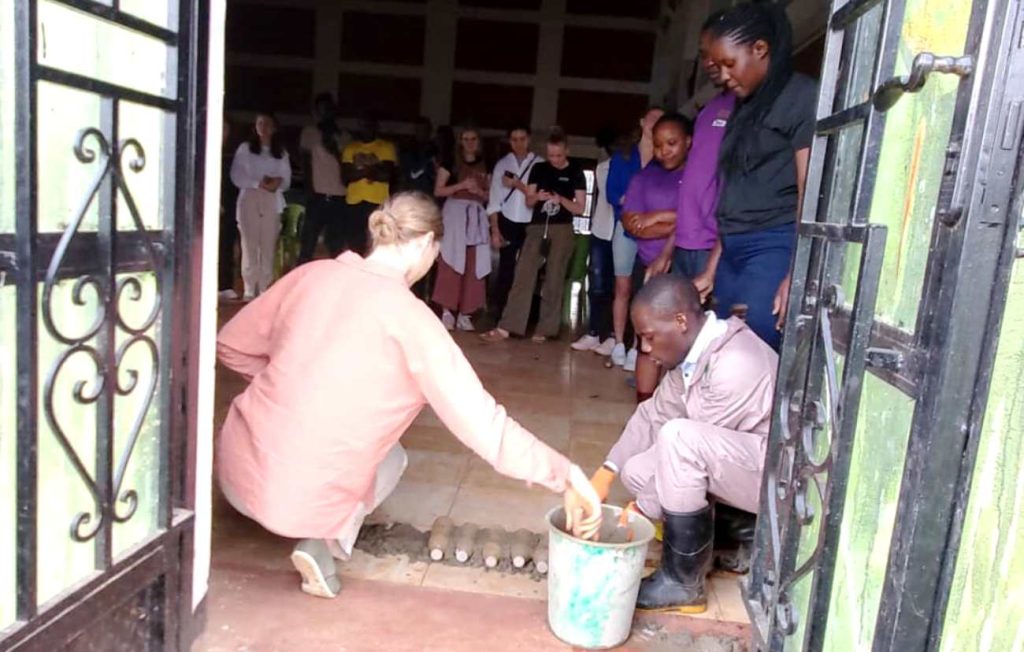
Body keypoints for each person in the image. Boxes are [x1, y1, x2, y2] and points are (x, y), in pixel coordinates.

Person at [216, 192, 602, 599]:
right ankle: (323, 543)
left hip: (234, 477)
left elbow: (230, 344)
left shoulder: (312, 274)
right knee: (395, 456)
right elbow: (486, 427)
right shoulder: (413, 321)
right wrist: (565, 474)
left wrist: (282, 383)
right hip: (299, 504)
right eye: (435, 251)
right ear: (423, 244)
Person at [589, 275, 777, 612]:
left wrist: (639, 512)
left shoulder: (734, 363)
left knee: (679, 441)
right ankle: (736, 540)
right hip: (741, 464)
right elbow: (652, 416)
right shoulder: (695, 356)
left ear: (680, 321)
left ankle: (683, 583)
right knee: (636, 470)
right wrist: (606, 472)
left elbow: (686, 450)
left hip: (776, 482)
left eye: (648, 337)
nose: (645, 349)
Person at [696, 3, 816, 349]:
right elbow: (734, 195)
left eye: (730, 64)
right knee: (723, 344)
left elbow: (808, 189)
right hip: (732, 247)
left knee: (756, 340)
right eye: (718, 66)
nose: (724, 75)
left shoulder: (800, 97)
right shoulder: (744, 107)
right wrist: (711, 268)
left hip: (772, 244)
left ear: (760, 49)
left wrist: (796, 271)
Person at [480, 128, 587, 344]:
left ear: (566, 151)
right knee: (523, 273)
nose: (554, 160)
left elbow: (580, 208)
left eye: (559, 155)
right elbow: (529, 200)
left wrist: (561, 200)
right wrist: (536, 196)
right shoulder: (539, 168)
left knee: (554, 277)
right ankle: (508, 326)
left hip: (562, 227)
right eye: (551, 155)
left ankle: (546, 328)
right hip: (537, 226)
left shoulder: (576, 171)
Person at [621, 114, 694, 403]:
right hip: (648, 267)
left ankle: (675, 407)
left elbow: (693, 219)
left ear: (689, 141)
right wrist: (670, 221)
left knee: (681, 342)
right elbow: (631, 224)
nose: (664, 151)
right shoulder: (644, 176)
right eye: (659, 144)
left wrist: (655, 217)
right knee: (648, 342)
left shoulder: (696, 176)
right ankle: (644, 409)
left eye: (672, 143)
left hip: (684, 266)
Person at [661, 14, 736, 284]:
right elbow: (693, 188)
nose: (707, 63)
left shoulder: (744, 110)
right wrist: (668, 249)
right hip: (686, 244)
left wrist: (715, 260)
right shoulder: (708, 111)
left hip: (713, 246)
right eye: (703, 55)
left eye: (713, 54)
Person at [608, 107, 664, 371]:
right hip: (625, 229)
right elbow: (612, 194)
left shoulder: (664, 159)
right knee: (622, 288)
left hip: (653, 233)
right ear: (642, 122)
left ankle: (636, 346)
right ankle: (618, 342)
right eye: (652, 118)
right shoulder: (624, 155)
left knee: (645, 292)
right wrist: (637, 205)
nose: (655, 124)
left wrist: (635, 204)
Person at [432, 127, 490, 331]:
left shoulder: (485, 163)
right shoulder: (451, 163)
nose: (470, 142)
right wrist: (461, 186)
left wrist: (480, 192)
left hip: (476, 216)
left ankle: (466, 313)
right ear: (460, 141)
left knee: (474, 264)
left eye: (473, 138)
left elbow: (489, 195)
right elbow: (438, 190)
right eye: (466, 139)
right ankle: (447, 311)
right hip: (455, 215)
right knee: (451, 260)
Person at [229, 111, 292, 300]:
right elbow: (236, 175)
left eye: (267, 124)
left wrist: (276, 182)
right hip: (250, 197)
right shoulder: (245, 149)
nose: (264, 128)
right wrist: (258, 183)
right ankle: (249, 287)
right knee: (249, 244)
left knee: (268, 243)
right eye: (260, 124)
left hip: (272, 200)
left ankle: (264, 286)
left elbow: (287, 179)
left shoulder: (281, 153)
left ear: (274, 128)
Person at [570, 128, 616, 356]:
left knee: (618, 288)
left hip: (622, 234)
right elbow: (611, 197)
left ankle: (613, 337)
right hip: (601, 230)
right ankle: (595, 332)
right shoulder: (603, 168)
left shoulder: (637, 169)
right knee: (597, 286)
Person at [486, 125, 540, 315]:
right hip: (507, 219)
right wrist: (494, 229)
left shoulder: (539, 164)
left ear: (529, 139)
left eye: (522, 139)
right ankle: (502, 313)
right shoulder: (502, 164)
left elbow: (539, 197)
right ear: (510, 141)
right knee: (506, 268)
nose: (518, 143)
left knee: (528, 269)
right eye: (514, 139)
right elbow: (493, 200)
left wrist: (518, 184)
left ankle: (523, 314)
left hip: (531, 221)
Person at [298, 93, 348, 263]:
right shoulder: (309, 132)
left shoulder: (344, 136)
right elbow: (305, 162)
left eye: (328, 109)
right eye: (320, 110)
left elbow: (348, 167)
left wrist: (336, 151)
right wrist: (309, 190)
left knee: (336, 247)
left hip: (339, 197)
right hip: (317, 196)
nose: (324, 113)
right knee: (307, 246)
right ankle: (301, 286)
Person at [340, 113, 397, 256]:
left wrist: (360, 169)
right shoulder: (350, 148)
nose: (366, 127)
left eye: (369, 124)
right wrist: (373, 170)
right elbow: (346, 176)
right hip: (354, 203)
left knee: (376, 245)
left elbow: (387, 175)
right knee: (355, 247)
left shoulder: (386, 147)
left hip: (378, 203)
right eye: (362, 124)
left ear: (376, 126)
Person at [218, 117, 239, 300]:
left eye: (225, 130)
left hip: (229, 207)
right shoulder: (203, 152)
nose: (223, 133)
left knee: (226, 244)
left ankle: (225, 284)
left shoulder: (231, 155)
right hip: (209, 207)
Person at [399, 116, 437, 196]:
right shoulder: (408, 148)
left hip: (428, 192)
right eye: (418, 130)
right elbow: (404, 174)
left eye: (424, 130)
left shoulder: (435, 150)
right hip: (410, 191)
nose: (421, 133)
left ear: (429, 131)